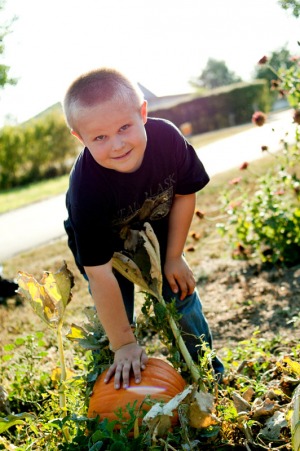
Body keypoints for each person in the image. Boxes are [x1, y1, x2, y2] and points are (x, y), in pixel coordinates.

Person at [63, 67, 224, 390]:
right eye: (100, 137)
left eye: (125, 126)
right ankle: (114, 374)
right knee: (116, 319)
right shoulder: (87, 188)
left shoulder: (167, 139)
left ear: (143, 113)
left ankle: (204, 369)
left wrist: (174, 256)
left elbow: (184, 194)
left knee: (180, 292)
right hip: (108, 256)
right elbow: (99, 273)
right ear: (80, 139)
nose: (118, 144)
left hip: (157, 235)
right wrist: (123, 342)